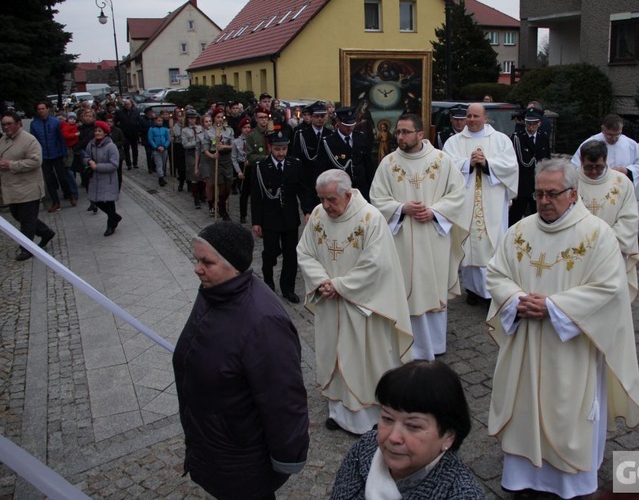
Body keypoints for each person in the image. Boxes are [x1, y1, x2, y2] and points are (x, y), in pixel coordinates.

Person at [485, 158, 639, 499]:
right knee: (523, 406)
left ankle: (570, 484)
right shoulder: (519, 231)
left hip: (572, 346)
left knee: (569, 409)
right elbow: (496, 273)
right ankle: (522, 478)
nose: (544, 201)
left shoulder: (597, 235)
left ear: (572, 195)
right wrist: (514, 300)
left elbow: (610, 290)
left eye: (553, 194)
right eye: (539, 193)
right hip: (525, 341)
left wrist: (554, 307)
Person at [173, 221, 310, 500]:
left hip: (242, 454)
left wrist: (288, 455)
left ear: (233, 264)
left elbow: (283, 399)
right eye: (196, 260)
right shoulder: (215, 292)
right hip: (216, 442)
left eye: (206, 262)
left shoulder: (264, 321)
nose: (197, 269)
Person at [297, 170, 414, 434]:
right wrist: (321, 281)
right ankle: (338, 413)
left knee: (363, 359)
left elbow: (377, 264)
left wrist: (339, 286)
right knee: (333, 355)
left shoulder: (370, 219)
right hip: (330, 302)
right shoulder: (317, 216)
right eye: (322, 199)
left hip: (363, 306)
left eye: (331, 200)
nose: (325, 206)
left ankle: (369, 417)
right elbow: (304, 252)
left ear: (348, 195)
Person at [370, 114, 469, 360]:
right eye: (398, 132)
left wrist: (434, 212)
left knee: (431, 286)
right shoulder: (388, 163)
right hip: (401, 237)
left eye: (405, 132)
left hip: (433, 236)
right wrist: (402, 209)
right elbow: (377, 198)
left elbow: (458, 195)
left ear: (420, 134)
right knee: (402, 286)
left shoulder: (442, 161)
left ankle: (434, 345)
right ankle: (404, 340)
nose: (400, 137)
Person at [330, 360, 485, 499]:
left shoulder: (462, 494)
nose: (393, 437)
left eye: (413, 426)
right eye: (387, 419)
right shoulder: (365, 448)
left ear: (448, 436)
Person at [442, 102, 518, 306]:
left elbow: (511, 166)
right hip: (465, 201)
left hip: (492, 200)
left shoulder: (500, 140)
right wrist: (468, 162)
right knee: (467, 243)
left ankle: (492, 291)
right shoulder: (454, 142)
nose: (472, 120)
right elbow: (446, 166)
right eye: (469, 116)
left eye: (476, 116)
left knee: (491, 243)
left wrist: (487, 164)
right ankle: (472, 290)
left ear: (486, 118)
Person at [251, 126, 312, 303]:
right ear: (270, 147)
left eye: (284, 149)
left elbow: (303, 189)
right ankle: (269, 283)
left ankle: (288, 288)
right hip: (270, 218)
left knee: (291, 255)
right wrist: (256, 221)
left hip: (290, 218)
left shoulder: (295, 164)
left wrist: (307, 210)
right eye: (277, 149)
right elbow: (256, 197)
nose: (281, 153)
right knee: (270, 253)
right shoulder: (261, 167)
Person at [577, 140, 639, 300]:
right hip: (578, 250)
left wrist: (605, 243)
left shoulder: (622, 183)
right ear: (581, 161)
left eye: (599, 167)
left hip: (612, 250)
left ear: (606, 161)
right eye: (588, 167)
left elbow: (629, 218)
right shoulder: (570, 181)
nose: (593, 172)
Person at [0, 111, 56, 261]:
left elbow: (36, 161)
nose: (6, 127)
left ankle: (27, 248)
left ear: (18, 124)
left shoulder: (29, 140)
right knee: (18, 215)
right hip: (11, 186)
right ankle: (45, 232)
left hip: (28, 186)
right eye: (4, 124)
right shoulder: (2, 140)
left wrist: (11, 165)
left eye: (9, 123)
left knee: (27, 219)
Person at [316, 106, 375, 202]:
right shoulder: (328, 142)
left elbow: (368, 166)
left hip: (362, 192)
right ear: (338, 121)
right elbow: (322, 169)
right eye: (346, 125)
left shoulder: (361, 138)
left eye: (352, 124)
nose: (350, 128)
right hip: (339, 193)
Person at [571, 113, 639, 186]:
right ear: (603, 129)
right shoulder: (590, 143)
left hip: (621, 186)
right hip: (597, 185)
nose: (614, 139)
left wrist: (627, 170)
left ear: (621, 130)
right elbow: (575, 166)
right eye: (610, 135)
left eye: (617, 135)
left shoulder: (631, 144)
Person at [509, 105, 551, 226]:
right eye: (528, 124)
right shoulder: (518, 137)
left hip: (537, 183)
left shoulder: (543, 137)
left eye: (534, 124)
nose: (531, 127)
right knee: (515, 216)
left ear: (539, 123)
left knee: (538, 214)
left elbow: (546, 159)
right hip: (522, 183)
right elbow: (516, 162)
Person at [30, 100, 74, 211]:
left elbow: (61, 139)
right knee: (49, 180)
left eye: (43, 108)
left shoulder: (56, 122)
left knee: (63, 177)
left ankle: (70, 195)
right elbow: (33, 141)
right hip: (44, 156)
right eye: (39, 109)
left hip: (57, 154)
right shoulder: (34, 124)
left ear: (47, 109)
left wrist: (64, 153)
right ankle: (55, 202)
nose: (41, 111)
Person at [83, 120, 122, 236]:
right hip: (95, 178)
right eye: (96, 131)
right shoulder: (91, 144)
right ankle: (115, 217)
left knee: (109, 202)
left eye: (100, 131)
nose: (97, 133)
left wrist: (97, 167)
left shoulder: (111, 146)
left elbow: (114, 164)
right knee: (96, 200)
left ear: (105, 133)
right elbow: (85, 156)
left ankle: (111, 224)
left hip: (108, 179)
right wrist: (89, 161)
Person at [291, 101, 332, 202]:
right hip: (307, 180)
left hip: (326, 180)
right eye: (316, 116)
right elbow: (296, 158)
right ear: (311, 117)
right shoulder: (302, 135)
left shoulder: (330, 134)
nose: (319, 119)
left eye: (322, 116)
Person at [202, 110, 235, 220]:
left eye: (222, 117)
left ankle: (221, 204)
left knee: (228, 185)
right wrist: (212, 156)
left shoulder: (229, 130)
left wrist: (225, 147)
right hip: (216, 160)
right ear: (214, 119)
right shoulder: (208, 132)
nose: (220, 119)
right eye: (218, 117)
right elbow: (205, 149)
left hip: (227, 158)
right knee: (221, 185)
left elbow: (234, 146)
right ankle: (223, 210)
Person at [231, 116, 253, 224]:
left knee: (254, 194)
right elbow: (233, 158)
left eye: (249, 127)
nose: (247, 129)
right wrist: (238, 171)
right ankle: (243, 215)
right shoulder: (236, 142)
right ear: (241, 129)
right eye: (245, 127)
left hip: (251, 167)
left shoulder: (252, 140)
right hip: (241, 167)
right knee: (243, 194)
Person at [181, 109, 204, 209]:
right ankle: (196, 198)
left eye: (194, 118)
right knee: (194, 175)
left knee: (202, 174)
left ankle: (202, 194)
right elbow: (185, 144)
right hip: (191, 153)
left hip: (201, 152)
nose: (192, 120)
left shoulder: (200, 128)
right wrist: (197, 142)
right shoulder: (185, 130)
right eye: (190, 118)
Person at [115, 98, 140, 170]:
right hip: (124, 134)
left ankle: (135, 163)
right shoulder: (120, 112)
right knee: (126, 149)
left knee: (135, 149)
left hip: (134, 133)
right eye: (126, 104)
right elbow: (116, 122)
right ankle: (128, 164)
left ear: (131, 104)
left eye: (129, 104)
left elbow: (139, 121)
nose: (127, 105)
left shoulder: (136, 112)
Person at [148, 114, 171, 187]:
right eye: (158, 121)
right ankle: (160, 177)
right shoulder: (152, 129)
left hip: (164, 148)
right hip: (156, 149)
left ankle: (163, 175)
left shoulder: (165, 129)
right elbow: (150, 139)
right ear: (155, 121)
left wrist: (165, 146)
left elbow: (168, 139)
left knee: (163, 163)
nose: (160, 122)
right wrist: (156, 146)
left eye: (161, 121)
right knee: (159, 163)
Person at [104, 112, 125, 190]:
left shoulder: (118, 130)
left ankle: (118, 187)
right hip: (106, 154)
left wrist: (114, 145)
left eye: (111, 121)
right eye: (108, 121)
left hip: (118, 153)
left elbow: (122, 141)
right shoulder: (103, 131)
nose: (109, 123)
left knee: (118, 172)